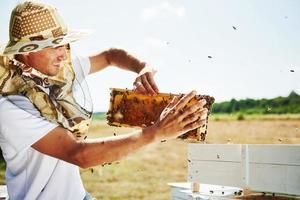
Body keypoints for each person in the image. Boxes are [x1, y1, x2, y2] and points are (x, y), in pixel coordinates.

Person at [0, 1, 208, 200]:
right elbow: (78, 154)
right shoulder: (10, 107)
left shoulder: (60, 73)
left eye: (64, 44)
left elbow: (111, 55)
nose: (63, 55)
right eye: (54, 46)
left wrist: (144, 67)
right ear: (27, 51)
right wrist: (155, 132)